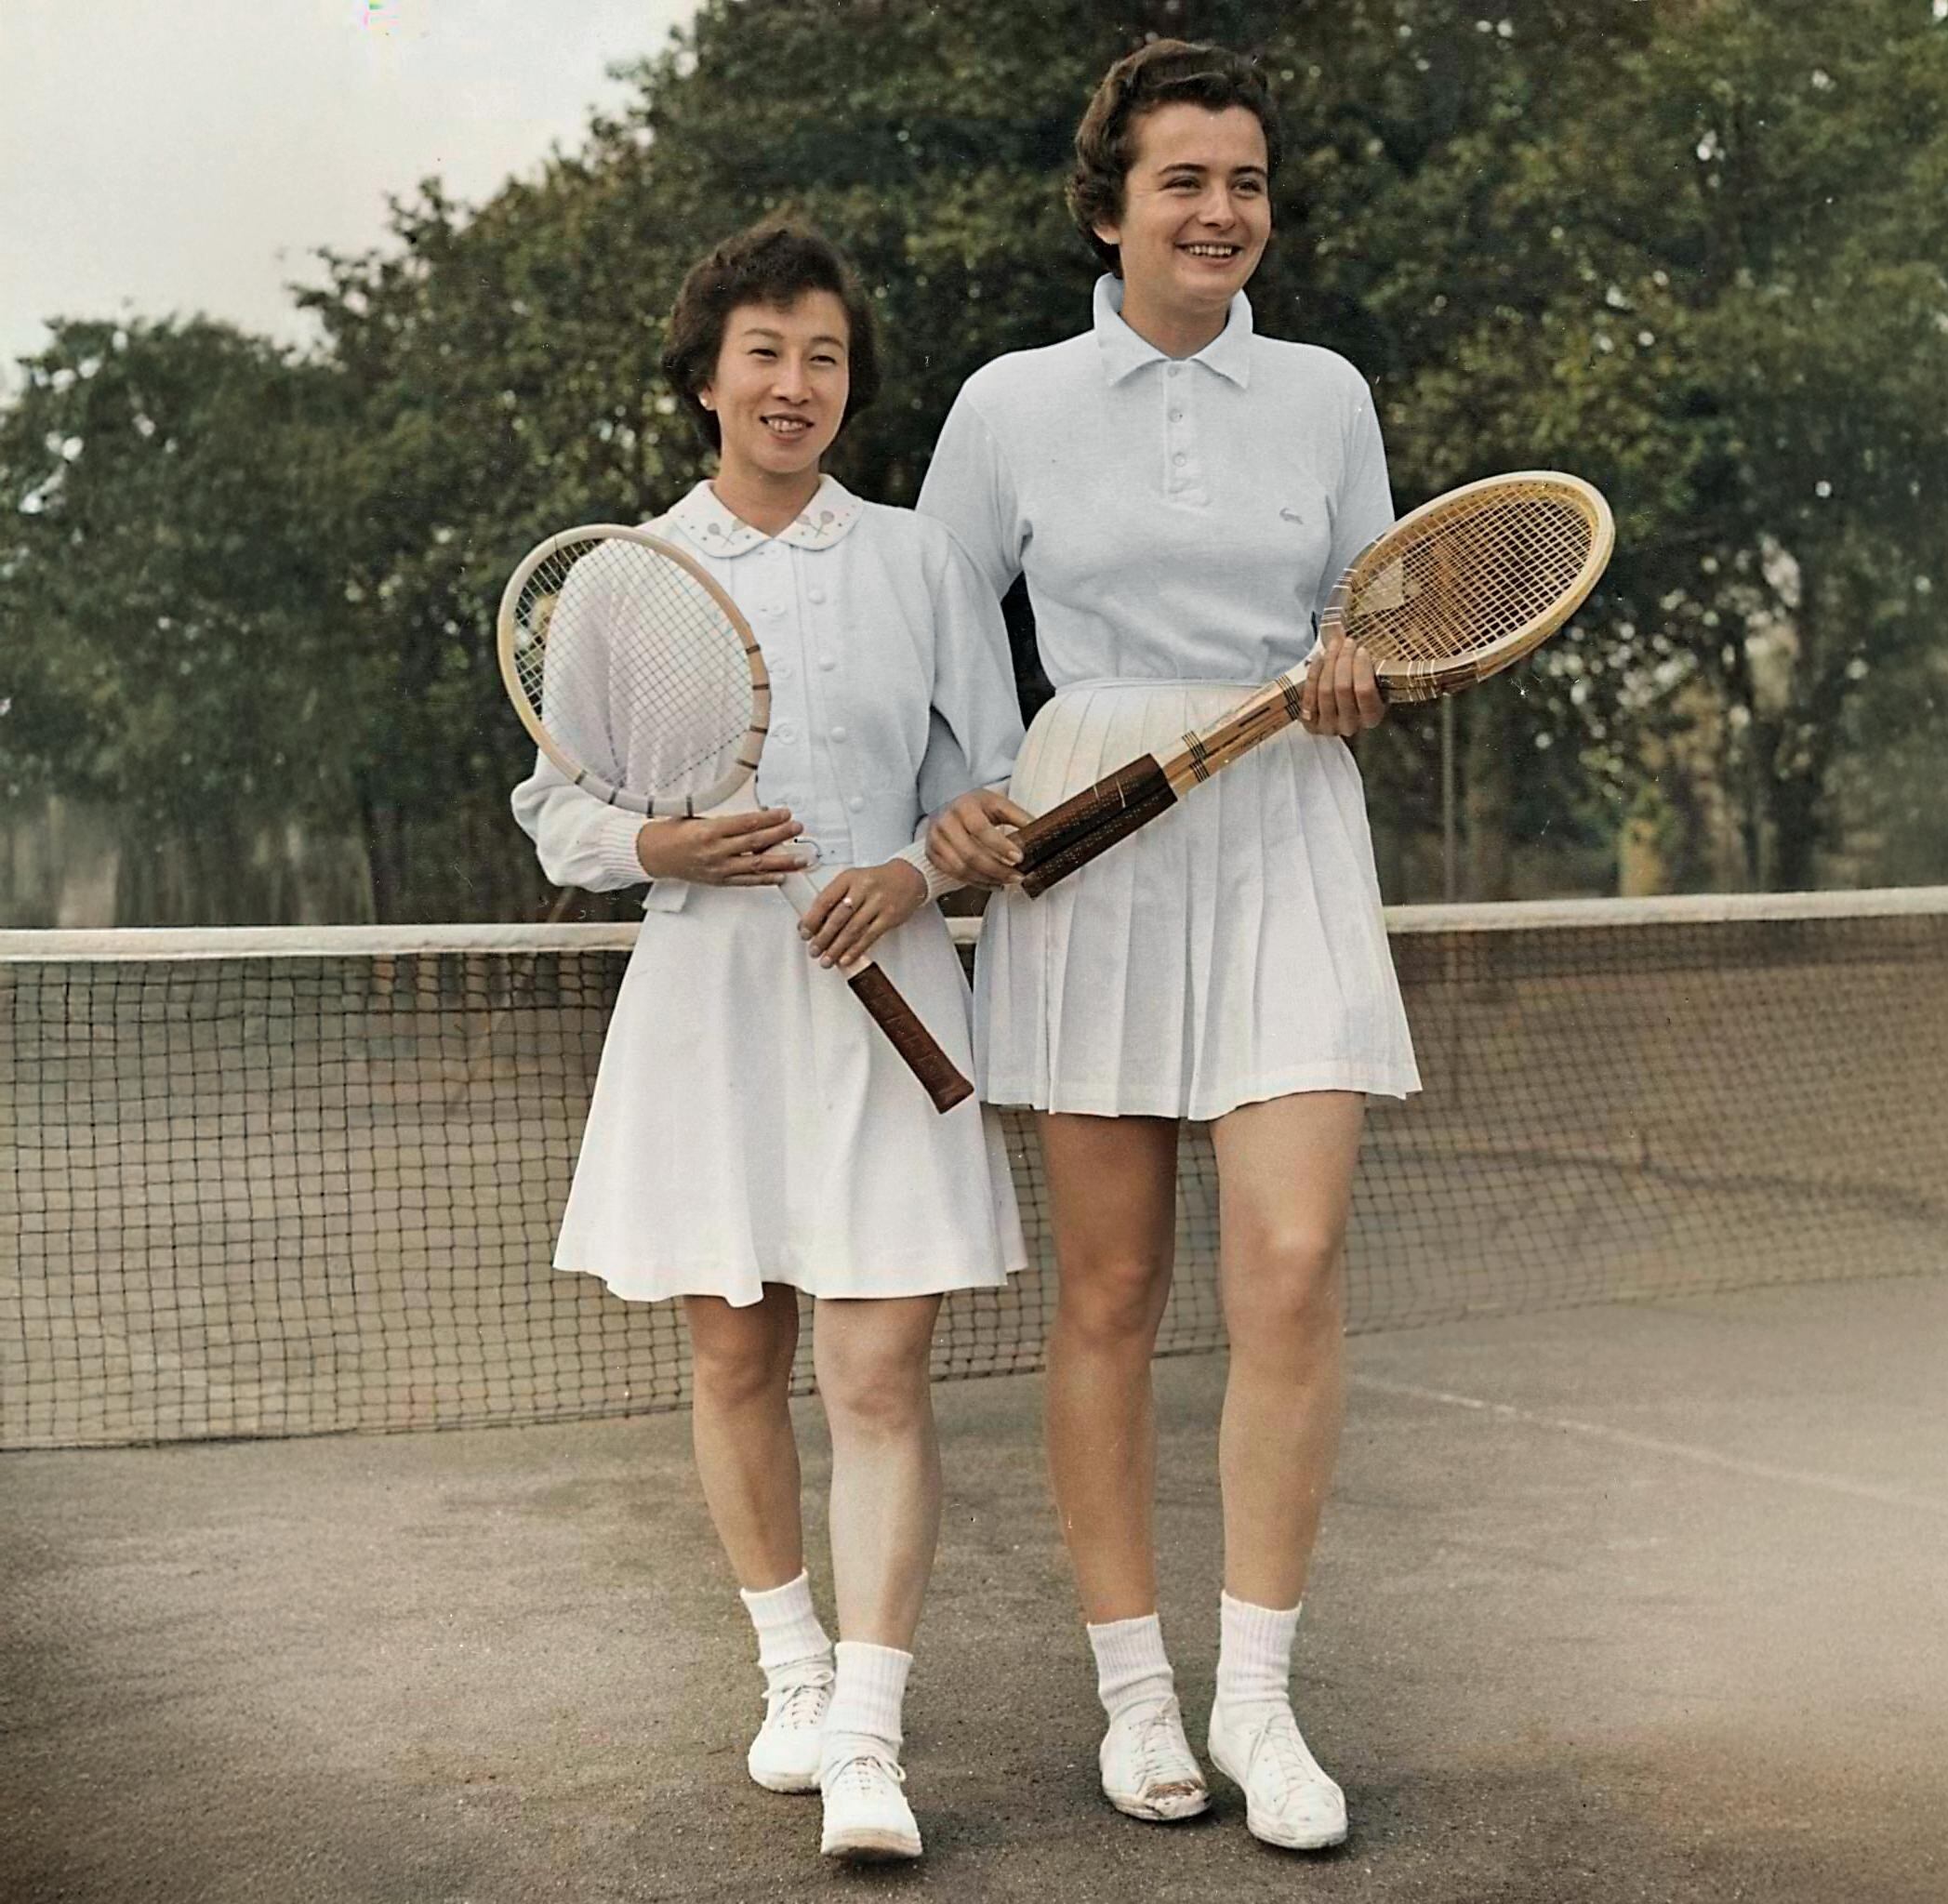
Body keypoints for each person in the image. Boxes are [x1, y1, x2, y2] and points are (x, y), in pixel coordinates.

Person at [918, 40, 1420, 1852]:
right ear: (1109, 204)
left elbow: (1378, 618)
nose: (1222, 211)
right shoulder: (1010, 401)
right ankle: (1138, 1698)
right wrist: (962, 796)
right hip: (1091, 843)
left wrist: (1363, 674)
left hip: (1282, 826)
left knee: (1287, 1265)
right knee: (1113, 1296)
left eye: (1247, 183)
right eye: (1185, 181)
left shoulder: (1325, 392)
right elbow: (940, 626)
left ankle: (1259, 1705)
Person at [512, 218, 1026, 1865]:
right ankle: (791, 1675)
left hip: (888, 1004)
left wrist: (913, 868)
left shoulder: (917, 563)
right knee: (735, 1355)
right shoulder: (621, 579)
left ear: (848, 382)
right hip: (709, 1002)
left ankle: (870, 1738)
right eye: (765, 353)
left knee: (876, 1371)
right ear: (707, 378)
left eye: (824, 356)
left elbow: (991, 790)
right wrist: (659, 850)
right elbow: (556, 810)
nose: (796, 383)